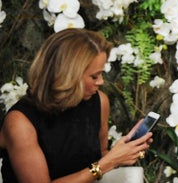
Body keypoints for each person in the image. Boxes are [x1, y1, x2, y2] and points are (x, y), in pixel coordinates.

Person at [0, 30, 153, 182]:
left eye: (101, 74)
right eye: (94, 76)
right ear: (67, 76)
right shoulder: (20, 123)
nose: (101, 82)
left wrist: (125, 151)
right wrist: (109, 162)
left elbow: (100, 155)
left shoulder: (99, 101)